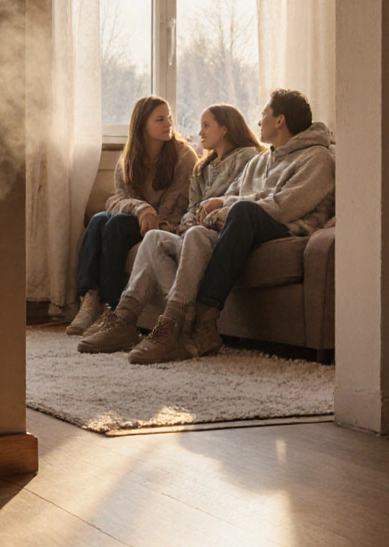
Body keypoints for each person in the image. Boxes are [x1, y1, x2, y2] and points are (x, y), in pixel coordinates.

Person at [130, 89, 335, 365]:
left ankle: (205, 318)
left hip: (286, 226)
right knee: (193, 233)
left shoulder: (317, 158)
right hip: (246, 224)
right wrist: (217, 203)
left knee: (242, 212)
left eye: (264, 114)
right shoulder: (261, 160)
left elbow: (285, 207)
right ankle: (172, 322)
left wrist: (227, 209)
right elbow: (235, 194)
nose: (259, 121)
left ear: (280, 120)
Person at [76, 104, 264, 355]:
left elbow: (248, 199)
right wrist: (180, 219)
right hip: (188, 230)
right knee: (143, 234)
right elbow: (191, 206)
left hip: (215, 232)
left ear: (225, 129)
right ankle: (122, 318)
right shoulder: (204, 167)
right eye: (160, 119)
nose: (199, 132)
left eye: (206, 126)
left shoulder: (250, 160)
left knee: (127, 226)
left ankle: (175, 324)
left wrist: (204, 214)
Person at [66, 96, 198, 335]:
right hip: (138, 219)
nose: (168, 124)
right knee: (98, 220)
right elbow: (116, 200)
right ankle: (89, 300)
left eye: (169, 118)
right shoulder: (129, 157)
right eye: (160, 119)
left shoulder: (183, 157)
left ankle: (112, 309)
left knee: (116, 223)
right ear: (142, 125)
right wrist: (141, 209)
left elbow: (172, 209)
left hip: (165, 224)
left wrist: (150, 216)